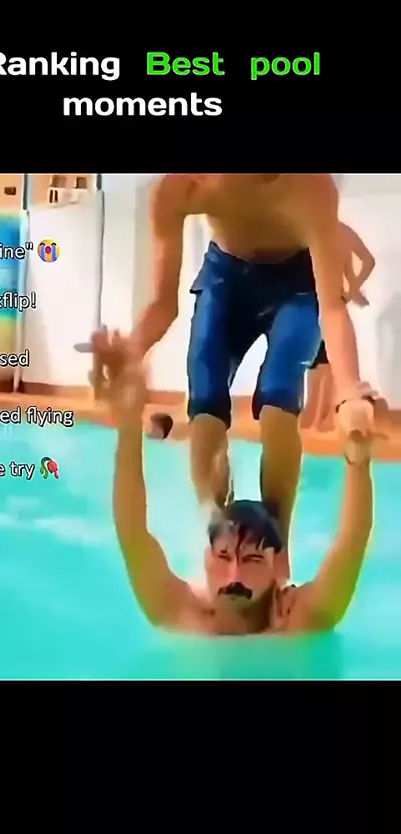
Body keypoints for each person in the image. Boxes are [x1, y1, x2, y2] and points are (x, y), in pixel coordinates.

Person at [92, 174, 378, 549]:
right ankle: (217, 546)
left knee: (278, 401)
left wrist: (349, 391)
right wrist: (132, 350)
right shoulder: (184, 186)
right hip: (224, 278)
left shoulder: (310, 187)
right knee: (205, 408)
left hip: (298, 285)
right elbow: (162, 305)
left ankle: (277, 549)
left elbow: (332, 309)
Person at [107, 340, 378, 635]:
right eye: (224, 556)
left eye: (252, 559)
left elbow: (352, 540)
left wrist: (358, 453)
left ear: (277, 566)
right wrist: (129, 424)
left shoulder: (301, 621)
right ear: (207, 559)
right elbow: (131, 532)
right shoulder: (182, 614)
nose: (234, 575)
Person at [302, 223, 376, 432]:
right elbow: (363, 263)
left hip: (319, 305)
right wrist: (352, 289)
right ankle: (317, 415)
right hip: (330, 305)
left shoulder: (315, 232)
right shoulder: (341, 231)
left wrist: (352, 289)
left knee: (321, 364)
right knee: (321, 364)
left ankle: (319, 417)